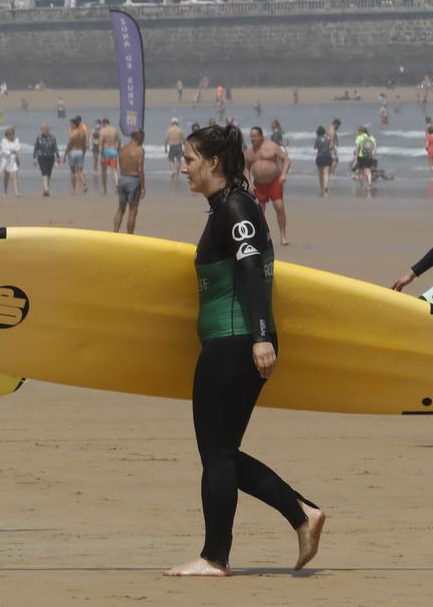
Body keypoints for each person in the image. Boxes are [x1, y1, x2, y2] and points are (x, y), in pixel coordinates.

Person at [165, 125, 324, 577]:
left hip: (234, 344)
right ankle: (301, 515)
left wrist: (259, 337)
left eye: (190, 158)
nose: (184, 166)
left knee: (216, 453)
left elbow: (252, 273)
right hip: (230, 342)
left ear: (213, 163)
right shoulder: (230, 206)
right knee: (222, 452)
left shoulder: (236, 206)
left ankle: (216, 556)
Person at [248, 126, 290, 245]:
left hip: (274, 182)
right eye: (251, 136)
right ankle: (263, 236)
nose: (253, 138)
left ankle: (283, 235)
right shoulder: (249, 151)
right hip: (258, 185)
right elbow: (245, 168)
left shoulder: (271, 146)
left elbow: (286, 159)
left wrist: (283, 174)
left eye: (255, 136)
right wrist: (249, 182)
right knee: (259, 212)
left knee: (279, 207)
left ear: (261, 136)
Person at [114, 129, 147, 233]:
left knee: (121, 209)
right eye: (143, 137)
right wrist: (143, 187)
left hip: (122, 178)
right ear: (139, 137)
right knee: (133, 211)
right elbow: (140, 170)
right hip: (133, 180)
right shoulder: (139, 150)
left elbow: (119, 165)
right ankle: (129, 236)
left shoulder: (122, 149)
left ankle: (115, 232)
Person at [352, 125, 378, 196]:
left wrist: (355, 156)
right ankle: (369, 184)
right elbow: (375, 144)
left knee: (360, 171)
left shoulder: (359, 137)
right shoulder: (370, 136)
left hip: (361, 156)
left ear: (360, 131)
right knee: (368, 171)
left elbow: (357, 147)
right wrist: (374, 152)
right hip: (369, 156)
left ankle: (362, 186)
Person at [33, 124, 59, 197]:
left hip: (51, 157)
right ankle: (46, 189)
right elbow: (36, 148)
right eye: (42, 129)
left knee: (49, 174)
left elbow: (55, 148)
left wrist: (58, 157)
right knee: (44, 173)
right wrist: (34, 158)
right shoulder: (39, 137)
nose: (44, 130)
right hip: (41, 157)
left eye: (45, 129)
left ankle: (46, 189)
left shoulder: (52, 137)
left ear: (48, 129)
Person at [0, 126, 22, 197]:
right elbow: (4, 151)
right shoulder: (3, 141)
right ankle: (5, 191)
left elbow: (17, 150)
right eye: (9, 134)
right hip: (6, 160)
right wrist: (12, 151)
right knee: (6, 176)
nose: (11, 136)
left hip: (13, 159)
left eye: (12, 134)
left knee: (15, 176)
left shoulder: (16, 140)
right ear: (6, 135)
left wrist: (17, 159)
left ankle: (16, 192)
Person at [66, 116, 89, 196]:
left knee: (73, 172)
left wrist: (65, 154)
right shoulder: (82, 133)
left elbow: (69, 145)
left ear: (74, 125)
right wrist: (84, 153)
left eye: (71, 124)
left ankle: (73, 188)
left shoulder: (73, 134)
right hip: (80, 152)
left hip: (73, 152)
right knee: (80, 171)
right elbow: (84, 145)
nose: (70, 125)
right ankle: (84, 183)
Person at [312, 125, 336, 198]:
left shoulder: (317, 139)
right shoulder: (328, 138)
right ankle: (326, 186)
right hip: (328, 157)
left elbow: (314, 147)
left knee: (320, 173)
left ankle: (321, 187)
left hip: (320, 157)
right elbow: (331, 147)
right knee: (326, 173)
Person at [166, 119, 187, 190]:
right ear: (177, 123)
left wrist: (165, 147)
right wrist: (185, 147)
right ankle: (177, 173)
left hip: (172, 146)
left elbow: (166, 139)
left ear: (172, 123)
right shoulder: (180, 130)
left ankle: (173, 171)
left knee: (171, 159)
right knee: (178, 160)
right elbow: (184, 139)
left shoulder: (169, 130)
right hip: (179, 145)